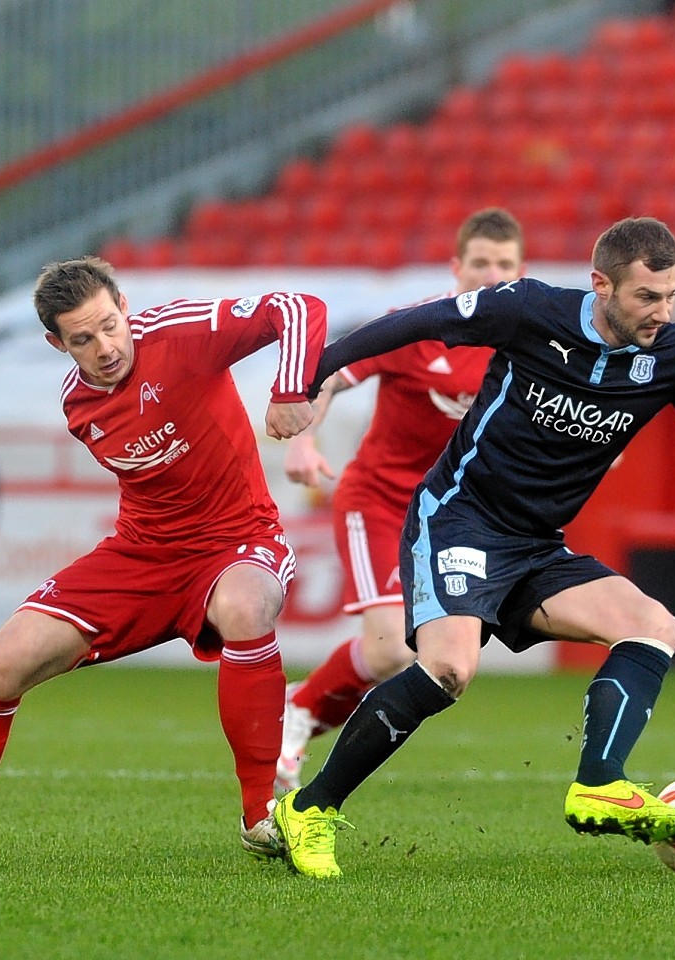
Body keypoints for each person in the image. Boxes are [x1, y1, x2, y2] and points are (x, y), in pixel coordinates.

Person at [273, 217, 675, 878]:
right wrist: (310, 376)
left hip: (535, 546)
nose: (663, 312)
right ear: (601, 285)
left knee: (653, 627)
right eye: (648, 297)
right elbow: (412, 323)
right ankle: (312, 808)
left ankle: (600, 783)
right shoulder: (529, 309)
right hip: (459, 520)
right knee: (449, 671)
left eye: (672, 296)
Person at [0, 256, 327, 870]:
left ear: (123, 306)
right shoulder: (78, 405)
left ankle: (259, 816)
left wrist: (289, 389)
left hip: (237, 538)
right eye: (82, 338)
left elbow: (295, 309)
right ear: (57, 343)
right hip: (141, 555)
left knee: (245, 605)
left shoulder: (182, 333)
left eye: (111, 325)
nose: (105, 346)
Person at [277, 208, 525, 793]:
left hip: (459, 521)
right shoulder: (418, 326)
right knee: (391, 649)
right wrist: (305, 439)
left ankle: (306, 706)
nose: (492, 275)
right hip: (381, 502)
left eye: (505, 265)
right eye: (482, 263)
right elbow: (330, 375)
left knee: (434, 660)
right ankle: (303, 707)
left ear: (521, 270)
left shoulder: (528, 345)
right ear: (456, 267)